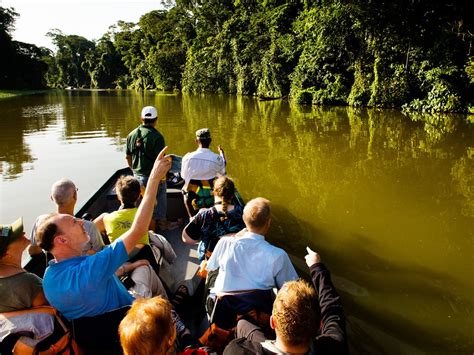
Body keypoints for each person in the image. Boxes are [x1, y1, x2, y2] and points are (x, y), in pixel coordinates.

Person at [35, 146, 171, 321]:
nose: (82, 222)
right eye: (74, 222)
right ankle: (174, 323)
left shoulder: (49, 280)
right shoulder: (93, 266)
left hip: (99, 336)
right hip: (132, 320)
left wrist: (128, 267)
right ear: (62, 240)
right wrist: (154, 179)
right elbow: (138, 230)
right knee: (146, 269)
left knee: (139, 267)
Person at [223, 247, 348, 354]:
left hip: (264, 344)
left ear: (272, 322)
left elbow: (332, 309)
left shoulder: (238, 350)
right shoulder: (335, 347)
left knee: (242, 323)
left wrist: (317, 267)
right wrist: (317, 267)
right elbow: (332, 309)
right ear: (319, 325)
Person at [206, 197, 298, 296]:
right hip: (258, 309)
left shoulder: (225, 242)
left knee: (212, 268)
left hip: (224, 307)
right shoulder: (278, 255)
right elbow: (291, 290)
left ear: (243, 219)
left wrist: (235, 237)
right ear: (268, 222)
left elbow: (211, 267)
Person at [94, 175, 161, 276]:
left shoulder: (105, 218)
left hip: (119, 262)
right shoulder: (144, 215)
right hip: (144, 256)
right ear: (139, 196)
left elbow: (90, 229)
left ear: (118, 197)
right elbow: (153, 207)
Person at [126, 106, 172, 232]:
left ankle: (142, 229)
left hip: (137, 176)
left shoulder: (131, 135)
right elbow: (161, 161)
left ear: (142, 118)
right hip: (153, 177)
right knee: (159, 198)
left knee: (142, 204)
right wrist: (164, 176)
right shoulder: (157, 137)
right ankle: (162, 224)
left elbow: (128, 157)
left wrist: (134, 171)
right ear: (156, 119)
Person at [182, 176, 245, 261]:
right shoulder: (243, 211)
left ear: (214, 192)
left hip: (212, 260)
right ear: (233, 194)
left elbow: (186, 239)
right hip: (236, 257)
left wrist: (196, 219)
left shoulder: (204, 214)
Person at [0, 217, 48, 312]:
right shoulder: (28, 282)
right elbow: (50, 312)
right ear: (6, 253)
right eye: (15, 237)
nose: (23, 233)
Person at [181, 128, 226, 217]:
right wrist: (222, 154)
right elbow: (222, 173)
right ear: (210, 141)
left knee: (185, 189)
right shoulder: (217, 159)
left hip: (193, 198)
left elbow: (183, 176)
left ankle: (192, 218)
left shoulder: (187, 158)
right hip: (210, 196)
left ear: (196, 141)